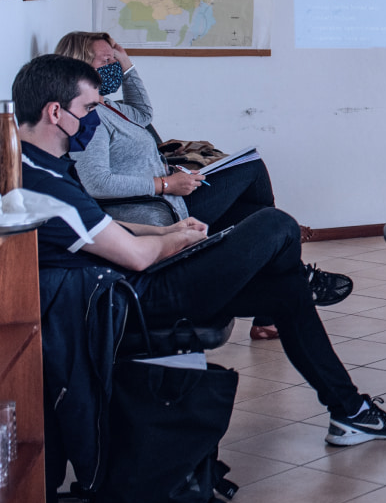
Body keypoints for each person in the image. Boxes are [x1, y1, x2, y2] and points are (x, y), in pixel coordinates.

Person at [14, 54, 386, 448]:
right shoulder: (46, 186)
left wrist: (166, 228)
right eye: (88, 108)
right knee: (277, 225)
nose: (94, 117)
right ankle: (297, 279)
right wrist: (179, 240)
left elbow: (100, 226)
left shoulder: (35, 166)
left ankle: (350, 412)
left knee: (286, 292)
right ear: (55, 112)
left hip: (121, 285)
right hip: (132, 298)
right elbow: (136, 256)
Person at [54, 31, 351, 340]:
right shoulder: (90, 120)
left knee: (253, 209)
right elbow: (96, 183)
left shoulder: (110, 107)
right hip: (161, 211)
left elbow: (143, 112)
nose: (112, 65)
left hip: (172, 195)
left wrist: (127, 66)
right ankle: (289, 285)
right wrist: (165, 183)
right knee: (252, 174)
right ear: (80, 66)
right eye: (106, 60)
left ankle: (282, 289)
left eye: (114, 59)